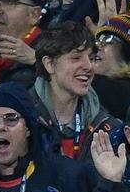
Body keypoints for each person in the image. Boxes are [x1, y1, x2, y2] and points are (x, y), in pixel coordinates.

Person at [30, 22, 117, 160]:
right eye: (76, 58)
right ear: (49, 64)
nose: (89, 66)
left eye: (91, 58)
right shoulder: (20, 119)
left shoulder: (108, 128)